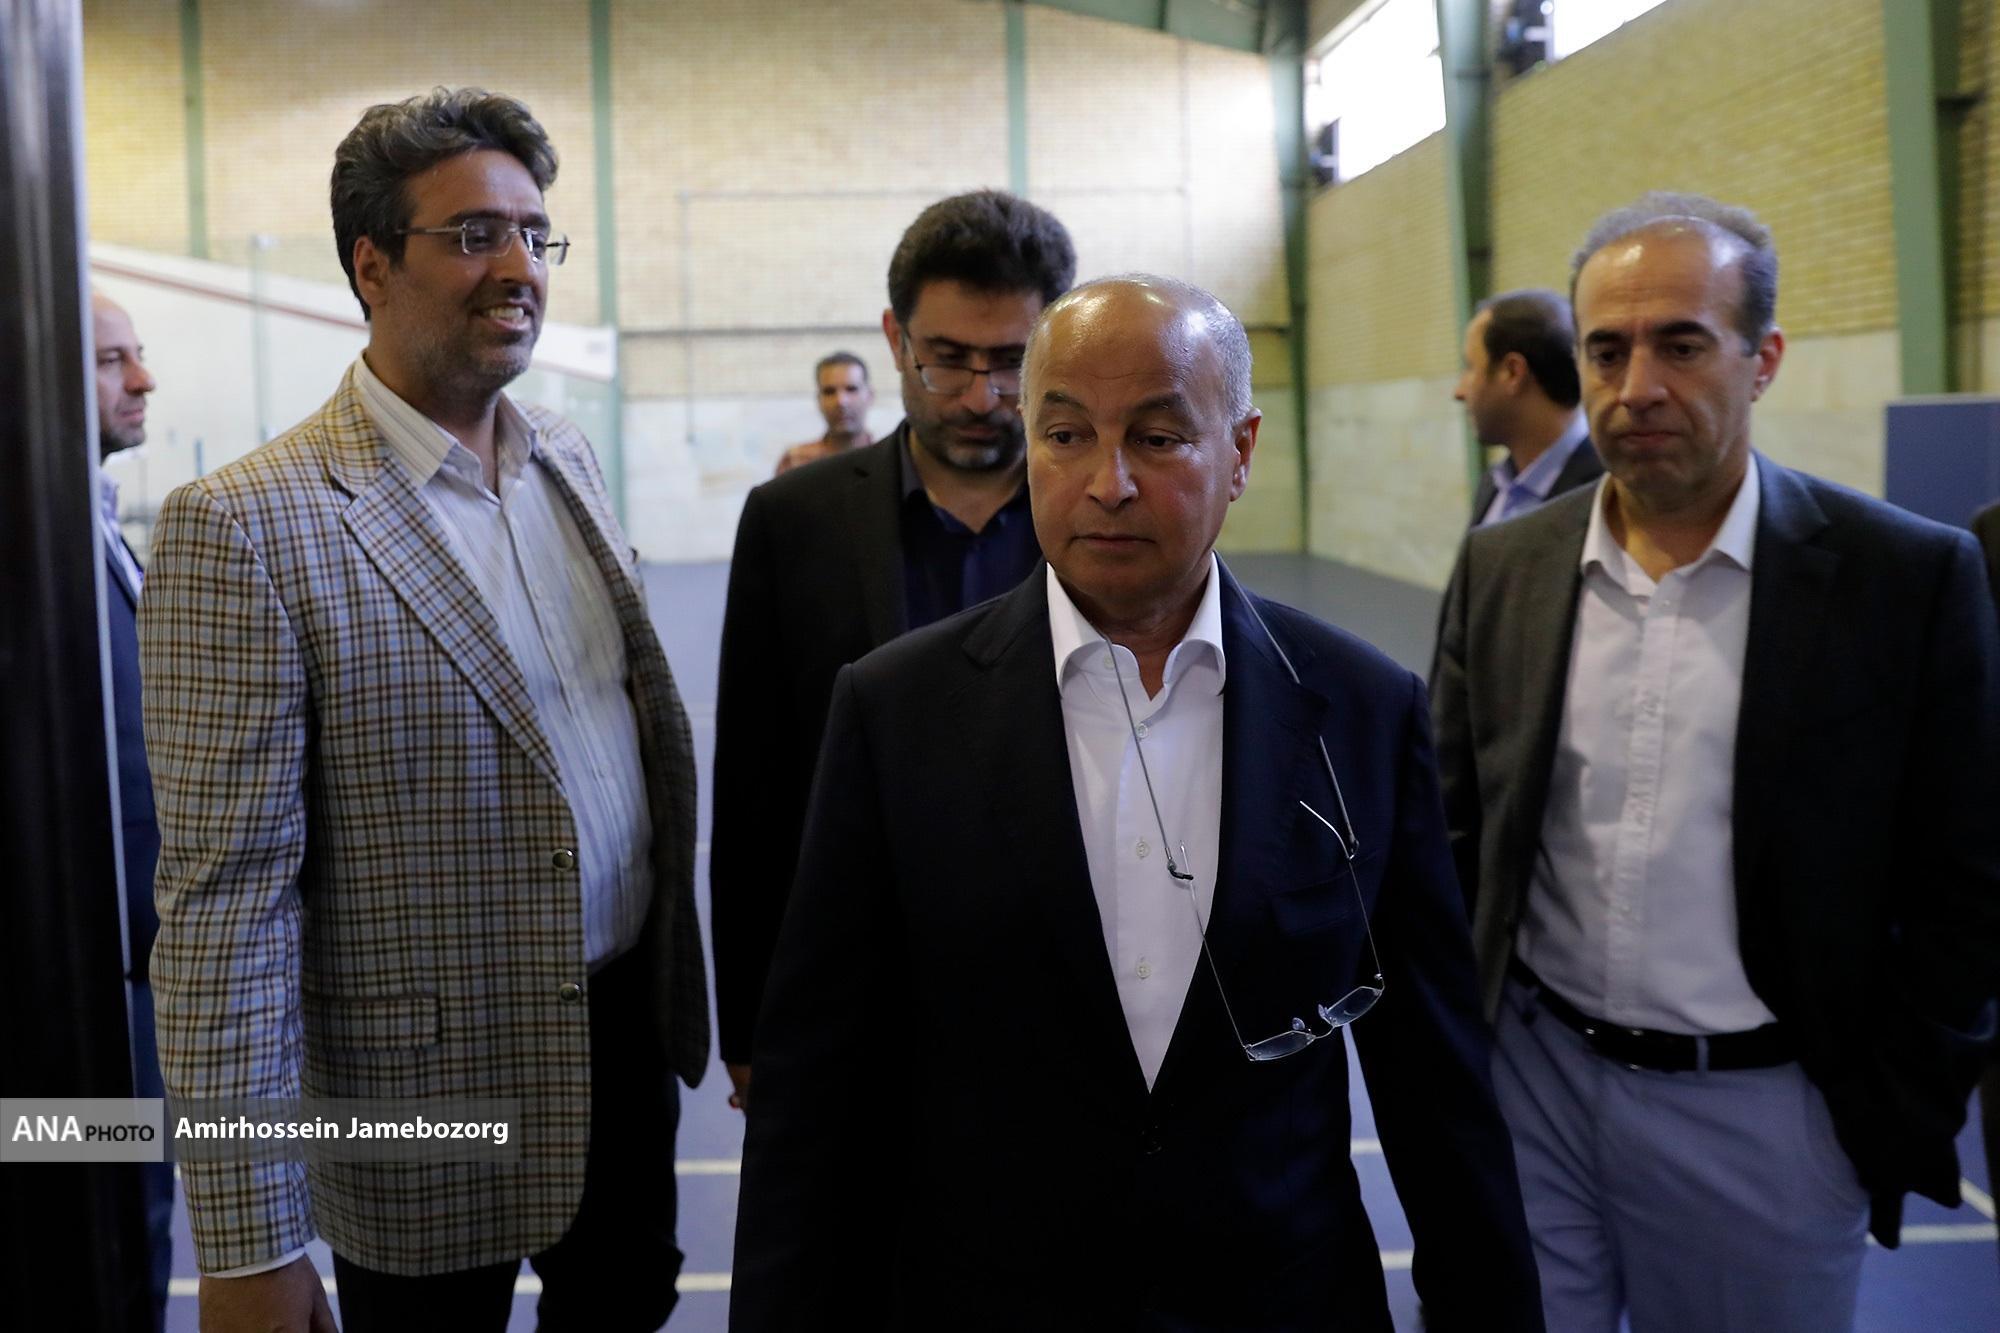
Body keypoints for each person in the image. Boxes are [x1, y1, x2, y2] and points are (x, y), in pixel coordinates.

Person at [732, 275, 1543, 1330]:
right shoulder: (894, 713)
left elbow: (1435, 1081)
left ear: (1240, 452)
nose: (1106, 483)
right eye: (1066, 434)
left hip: (1280, 1300)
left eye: (1157, 438)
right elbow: (817, 1090)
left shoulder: (1359, 708)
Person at [139, 88, 707, 1333]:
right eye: (472, 235)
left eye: (533, 234)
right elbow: (225, 909)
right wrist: (249, 1244)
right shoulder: (245, 526)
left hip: (619, 1039)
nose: (518, 266)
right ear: (371, 264)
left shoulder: (565, 459)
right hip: (422, 1097)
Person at [1430, 191, 2000, 1332]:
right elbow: (1452, 826)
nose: (1637, 386)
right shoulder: (1504, 567)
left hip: (1765, 1121)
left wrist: (1884, 1103)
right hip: (1532, 1088)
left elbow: (1965, 875)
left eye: (1682, 346)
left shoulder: (1903, 579)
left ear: (1762, 359)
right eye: (1607, 350)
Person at [711, 190, 1074, 1112]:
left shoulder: (1105, 516)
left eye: (1013, 362)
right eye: (946, 359)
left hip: (1067, 982)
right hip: (860, 982)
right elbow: (753, 790)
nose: (981, 397)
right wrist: (748, 1024)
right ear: (894, 336)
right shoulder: (792, 521)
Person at [91, 289, 172, 1332]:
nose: (144, 378)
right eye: (112, 360)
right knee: (111, 1227)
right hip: (87, 990)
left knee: (138, 1224)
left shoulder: (99, 525)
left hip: (137, 974)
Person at [1454, 288, 1600, 526]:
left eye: (1470, 368)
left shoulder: (1607, 493)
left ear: (1513, 372)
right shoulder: (1494, 484)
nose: (1459, 392)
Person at [773, 351, 874, 474]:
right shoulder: (796, 461)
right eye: (829, 392)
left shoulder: (887, 461)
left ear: (870, 396)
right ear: (819, 400)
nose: (841, 401)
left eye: (851, 389)